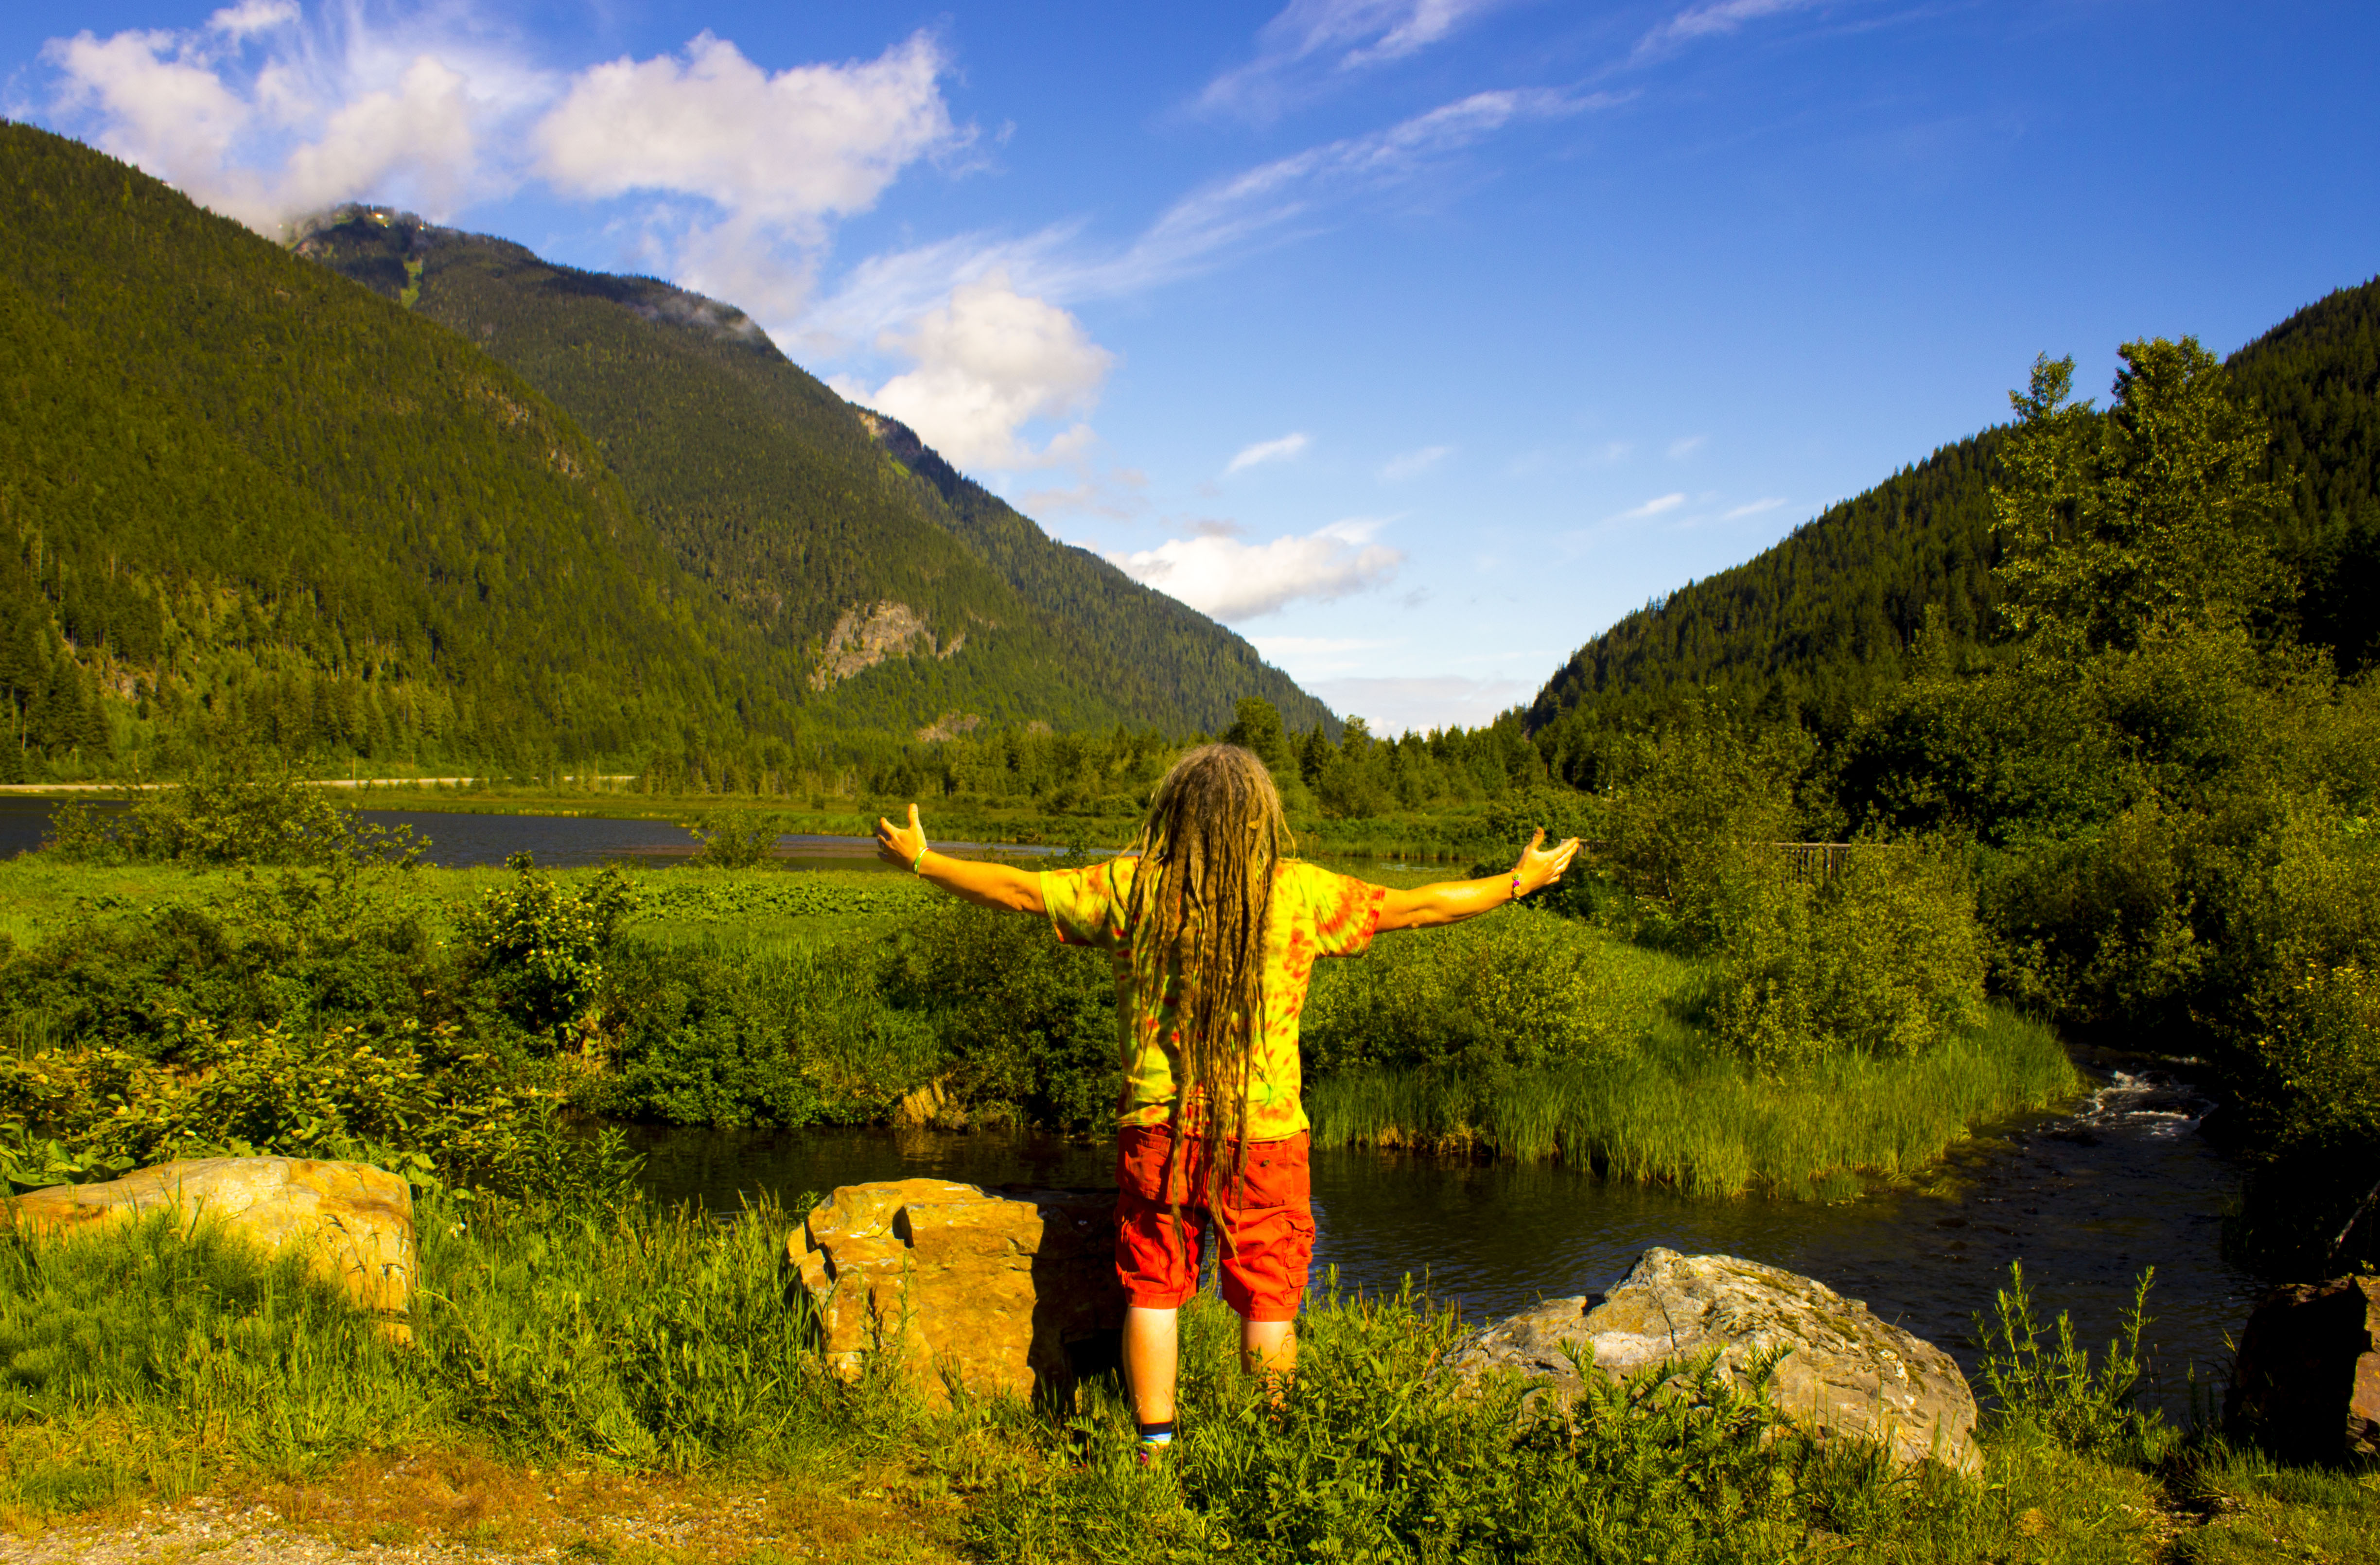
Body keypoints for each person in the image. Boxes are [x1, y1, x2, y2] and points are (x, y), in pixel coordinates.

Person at [875, 742, 1579, 1463]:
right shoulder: (1300, 893)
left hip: (1160, 1129)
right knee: (1269, 1298)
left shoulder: (1132, 887)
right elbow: (1423, 906)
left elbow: (1023, 891)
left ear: (1173, 813)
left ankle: (1154, 1455)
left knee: (1152, 1289)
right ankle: (1270, 1458)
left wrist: (925, 862)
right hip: (1267, 1136)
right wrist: (1515, 883)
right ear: (1259, 818)